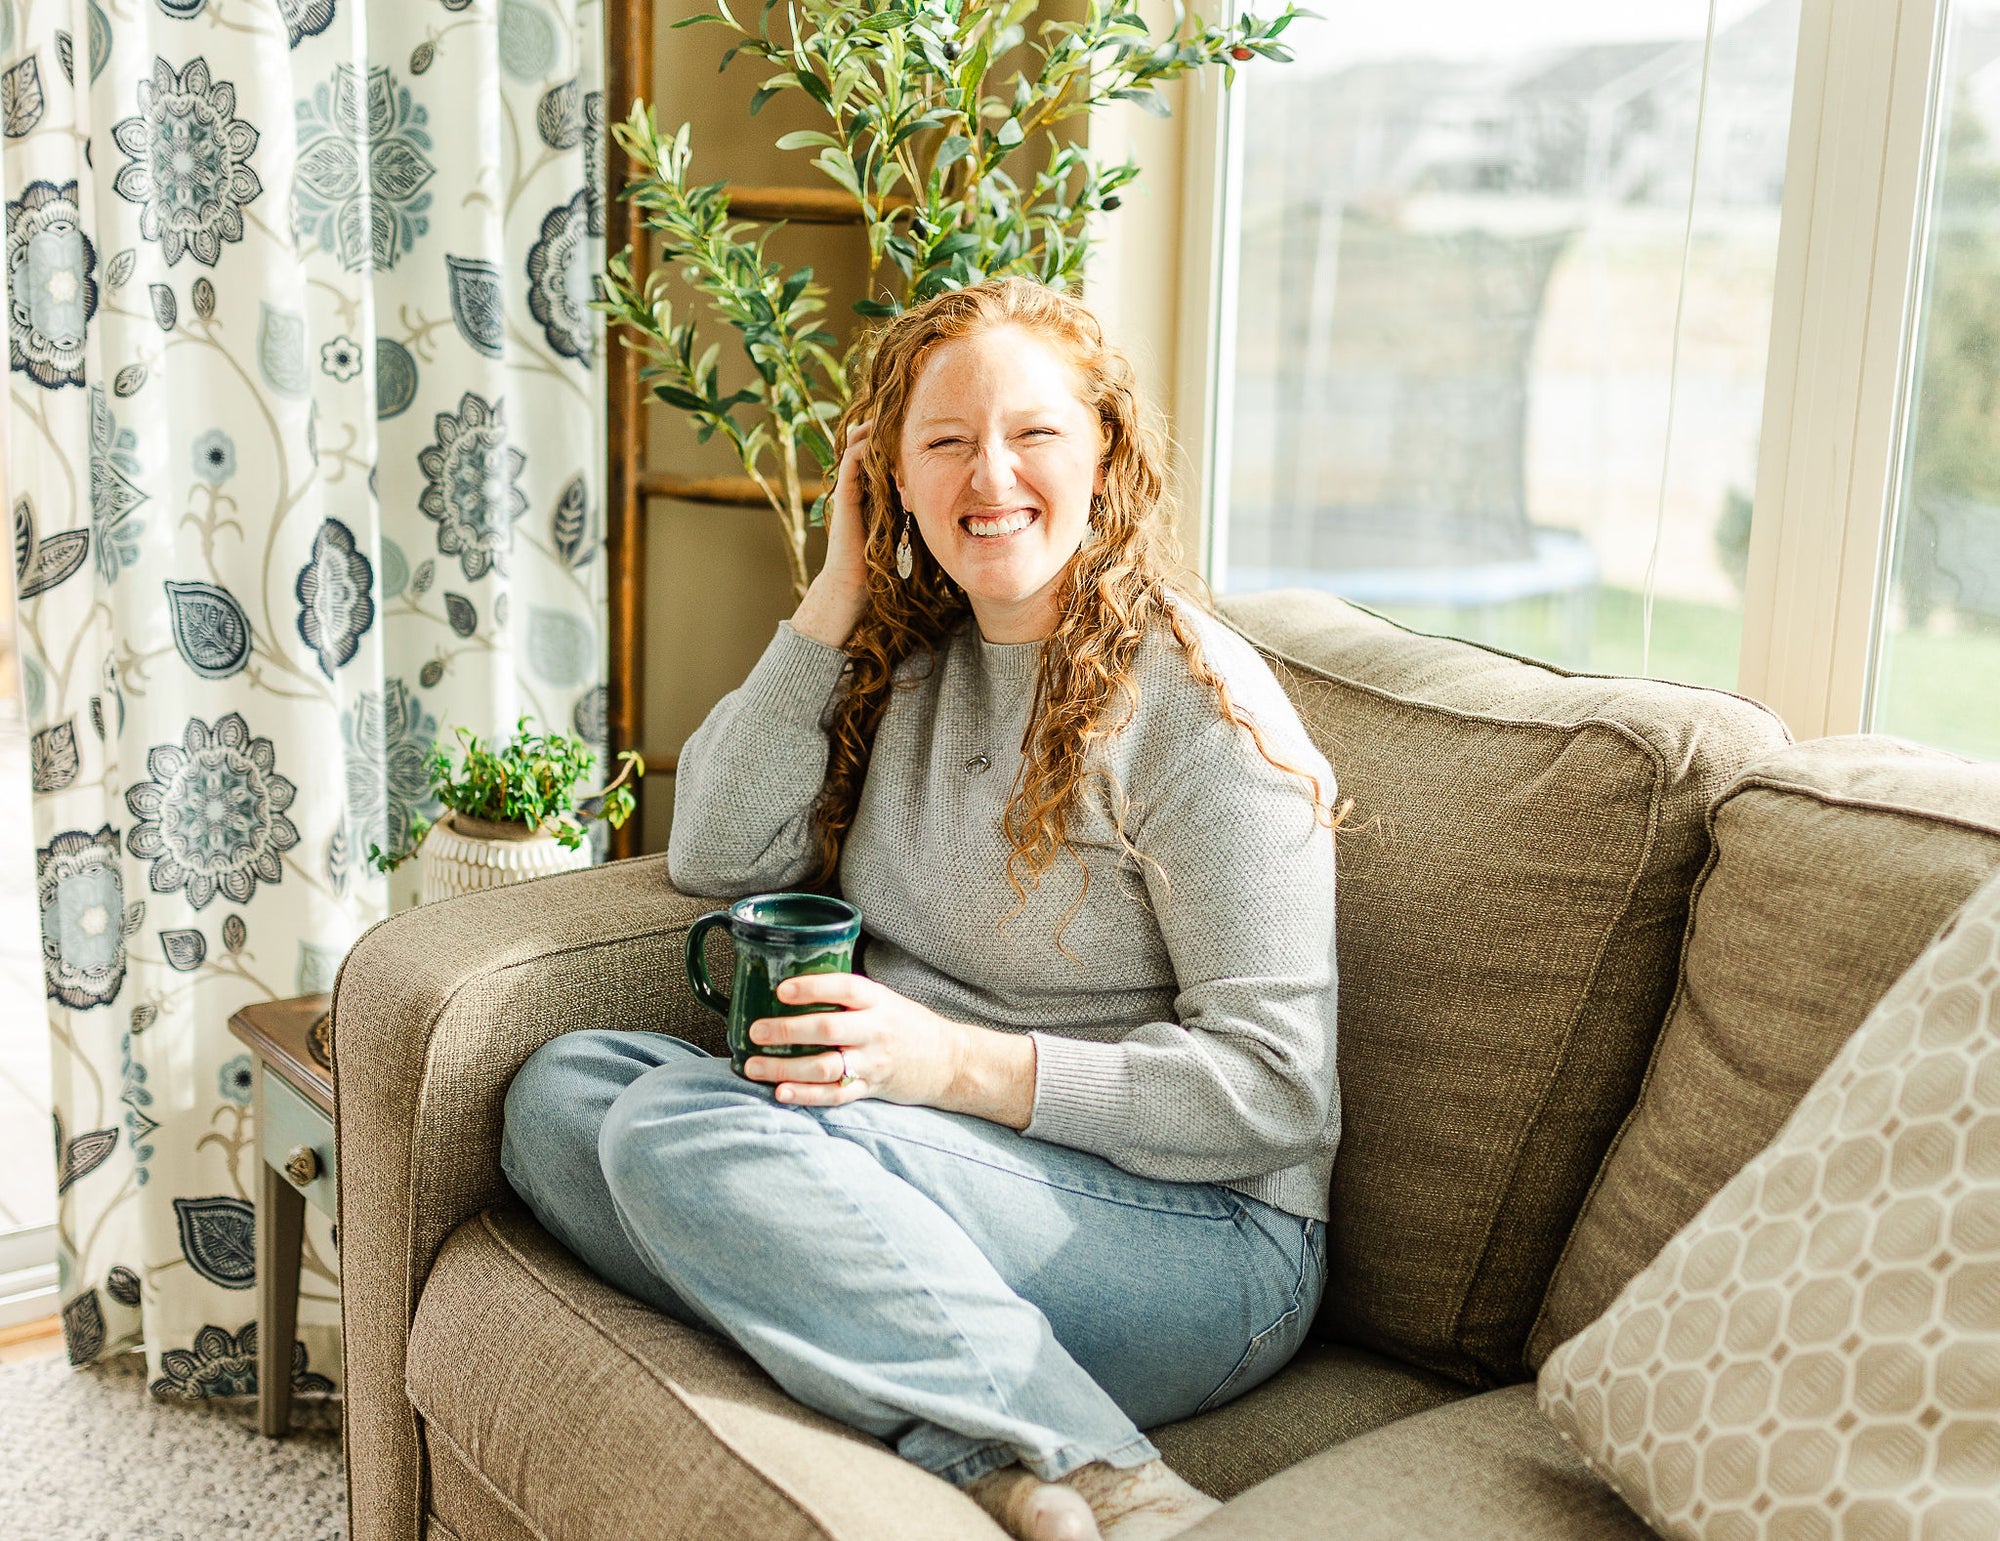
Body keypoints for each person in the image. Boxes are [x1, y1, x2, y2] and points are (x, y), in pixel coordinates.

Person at [502, 276, 1342, 1541]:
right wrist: (834, 590)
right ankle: (964, 1436)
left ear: (1104, 450)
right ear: (888, 476)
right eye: (943, 442)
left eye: (1033, 432)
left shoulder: (1195, 704)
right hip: (919, 1146)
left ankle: (1112, 1481)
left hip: (1203, 1234)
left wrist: (946, 1063)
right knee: (560, 1094)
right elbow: (714, 854)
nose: (988, 475)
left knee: (677, 1125)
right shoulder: (912, 659)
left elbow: (1274, 1093)